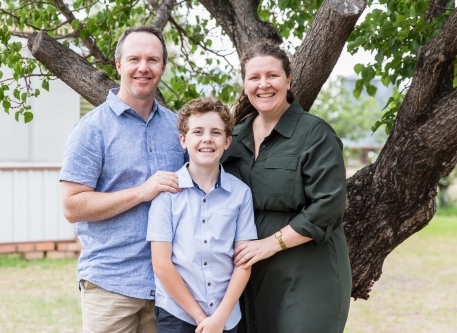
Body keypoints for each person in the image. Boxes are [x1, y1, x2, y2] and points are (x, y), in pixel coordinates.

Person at [60, 26, 187, 333]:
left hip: (168, 287)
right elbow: (72, 207)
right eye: (134, 59)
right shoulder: (91, 130)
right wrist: (142, 192)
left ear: (163, 67)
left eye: (152, 60)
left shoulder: (178, 128)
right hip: (110, 284)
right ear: (118, 65)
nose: (143, 67)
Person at [221, 42, 352, 333]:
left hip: (308, 274)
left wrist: (270, 244)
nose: (263, 84)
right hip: (246, 276)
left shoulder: (315, 133)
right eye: (254, 77)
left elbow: (328, 206)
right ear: (244, 84)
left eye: (272, 76)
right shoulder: (233, 137)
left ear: (289, 80)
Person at [147, 97, 258, 333]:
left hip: (226, 316)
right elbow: (161, 263)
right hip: (177, 314)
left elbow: (244, 262)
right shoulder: (167, 194)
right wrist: (201, 318)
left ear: (227, 141)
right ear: (183, 140)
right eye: (198, 132)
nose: (207, 139)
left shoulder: (241, 194)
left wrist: (219, 318)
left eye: (215, 132)